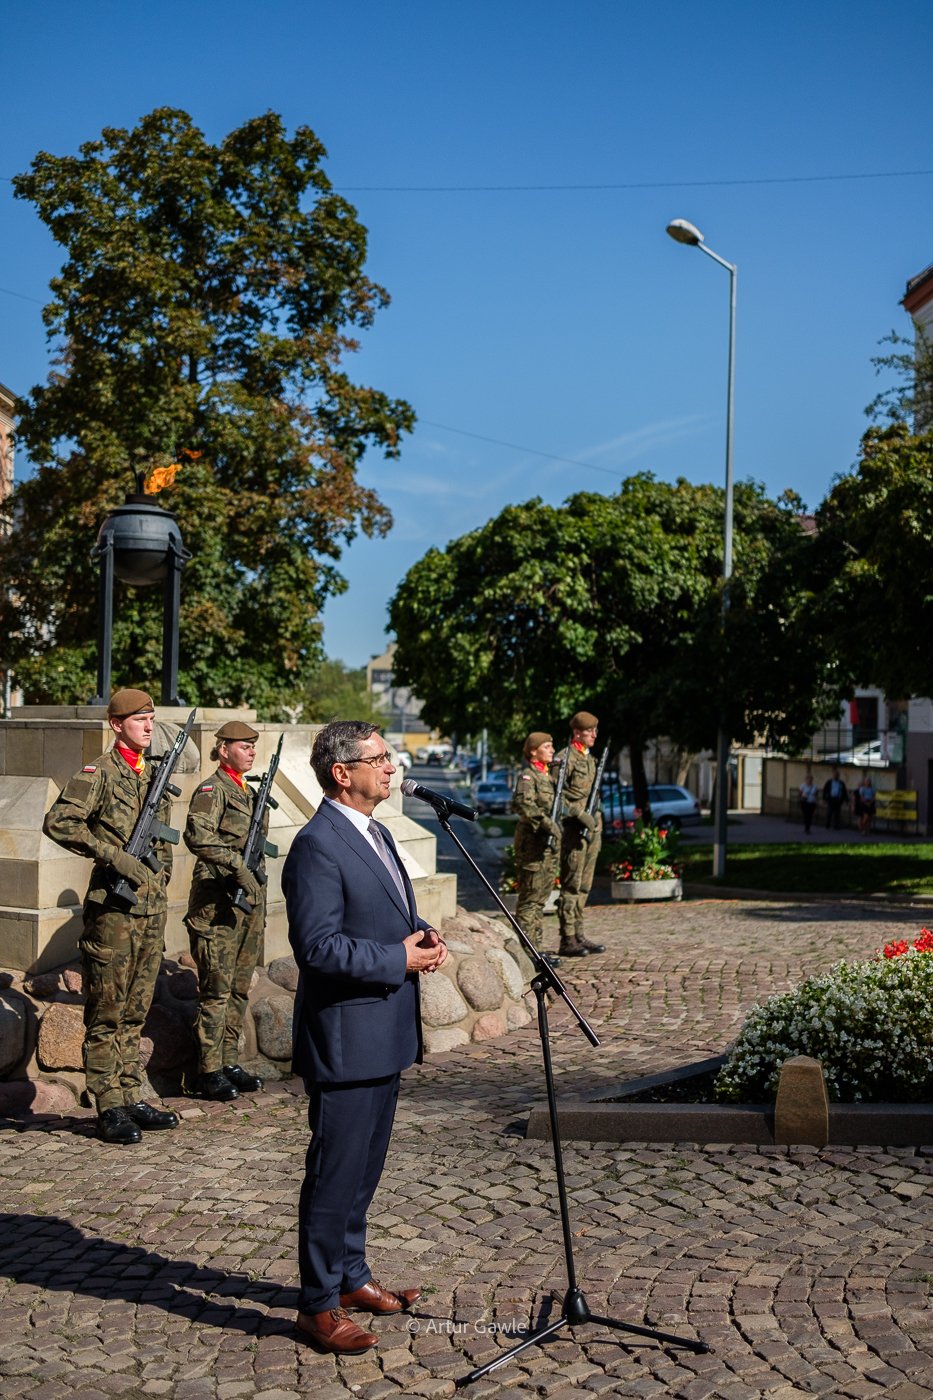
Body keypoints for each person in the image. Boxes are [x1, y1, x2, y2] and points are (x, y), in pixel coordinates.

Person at [282, 720, 448, 1357]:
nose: (390, 767)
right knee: (335, 1175)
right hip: (346, 1038)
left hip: (385, 1033)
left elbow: (385, 913)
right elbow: (318, 947)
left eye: (388, 757)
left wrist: (422, 933)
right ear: (341, 772)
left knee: (364, 1171)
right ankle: (317, 1304)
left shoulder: (376, 831)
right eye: (377, 759)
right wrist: (397, 958)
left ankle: (351, 1278)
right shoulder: (316, 845)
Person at [42, 688, 180, 1145]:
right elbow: (59, 821)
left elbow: (162, 841)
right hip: (114, 914)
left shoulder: (153, 775)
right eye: (139, 719)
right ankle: (108, 1106)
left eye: (151, 718)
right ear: (116, 725)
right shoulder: (99, 772)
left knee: (136, 1012)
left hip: (150, 911)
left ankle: (130, 1094)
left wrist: (158, 878)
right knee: (107, 1013)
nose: (148, 725)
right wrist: (113, 855)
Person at [184, 720, 273, 1102]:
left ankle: (228, 1060)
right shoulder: (212, 789)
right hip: (217, 903)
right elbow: (197, 835)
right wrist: (236, 865)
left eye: (253, 746)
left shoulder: (248, 791)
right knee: (216, 990)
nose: (251, 751)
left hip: (247, 905)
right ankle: (208, 1071)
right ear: (223, 750)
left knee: (239, 987)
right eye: (243, 746)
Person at [555, 711, 606, 958]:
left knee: (585, 885)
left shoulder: (590, 758)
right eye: (589, 731)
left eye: (595, 730)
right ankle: (567, 938)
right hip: (574, 830)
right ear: (577, 733)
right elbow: (555, 796)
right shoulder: (565, 758)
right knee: (572, 884)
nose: (594, 735)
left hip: (593, 828)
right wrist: (578, 813)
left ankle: (578, 933)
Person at [511, 731, 563, 960]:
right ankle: (528, 952)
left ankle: (537, 948)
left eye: (552, 746)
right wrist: (546, 824)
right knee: (530, 900)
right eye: (547, 747)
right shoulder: (528, 777)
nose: (552, 750)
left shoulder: (548, 777)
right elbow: (523, 804)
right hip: (532, 846)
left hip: (547, 848)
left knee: (541, 900)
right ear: (533, 751)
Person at [855, 771, 876, 836]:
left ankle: (867, 830)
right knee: (865, 817)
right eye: (867, 781)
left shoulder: (872, 789)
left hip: (871, 803)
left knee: (869, 818)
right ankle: (862, 829)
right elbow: (861, 797)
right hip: (864, 803)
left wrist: (871, 802)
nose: (868, 782)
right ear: (865, 782)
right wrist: (866, 803)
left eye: (869, 781)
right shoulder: (862, 789)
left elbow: (874, 797)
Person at [798, 771, 819, 835]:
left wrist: (816, 801)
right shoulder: (802, 786)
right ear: (806, 779)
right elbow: (799, 794)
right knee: (806, 815)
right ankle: (807, 828)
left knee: (810, 816)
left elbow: (816, 794)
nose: (809, 780)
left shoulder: (815, 786)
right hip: (804, 803)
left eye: (810, 779)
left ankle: (808, 828)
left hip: (812, 803)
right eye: (808, 779)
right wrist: (802, 796)